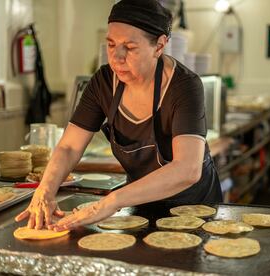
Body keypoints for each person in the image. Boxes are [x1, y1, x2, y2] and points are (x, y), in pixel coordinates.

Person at [15, 0, 223, 231]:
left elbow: (187, 169)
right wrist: (45, 190)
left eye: (130, 48)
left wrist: (110, 202)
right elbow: (69, 148)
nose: (116, 57)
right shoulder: (104, 82)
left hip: (194, 207)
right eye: (111, 44)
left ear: (159, 46)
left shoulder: (184, 86)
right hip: (138, 203)